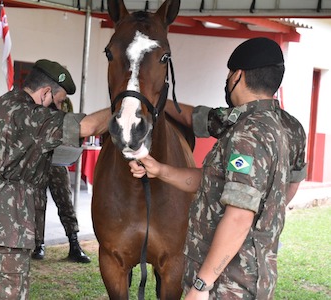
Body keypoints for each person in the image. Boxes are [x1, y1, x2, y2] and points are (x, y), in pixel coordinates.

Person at [129, 37, 307, 299]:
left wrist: (202, 285)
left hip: (228, 283)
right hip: (242, 274)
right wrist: (160, 170)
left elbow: (239, 217)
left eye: (228, 73)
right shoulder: (282, 126)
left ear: (238, 75)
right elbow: (216, 181)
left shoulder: (249, 134)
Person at [0, 59, 110, 299]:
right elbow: (87, 127)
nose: (55, 108)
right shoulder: (33, 116)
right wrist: (124, 104)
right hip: (8, 224)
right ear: (45, 92)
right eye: (56, 102)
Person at [32, 98, 91, 263]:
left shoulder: (65, 102)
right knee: (38, 204)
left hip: (59, 161)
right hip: (39, 161)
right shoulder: (39, 101)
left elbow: (72, 128)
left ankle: (74, 244)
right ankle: (38, 244)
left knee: (65, 203)